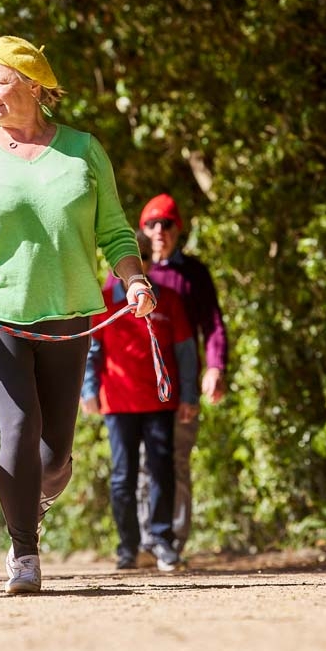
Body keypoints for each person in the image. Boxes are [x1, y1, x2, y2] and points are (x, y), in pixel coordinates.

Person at [0, 35, 156, 595]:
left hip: (70, 313)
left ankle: (38, 488)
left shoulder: (83, 150)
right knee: (20, 425)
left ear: (32, 84)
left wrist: (134, 279)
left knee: (54, 454)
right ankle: (24, 552)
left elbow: (114, 230)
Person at [80, 231, 199, 572]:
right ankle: (128, 547)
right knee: (123, 477)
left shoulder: (169, 300)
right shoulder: (104, 301)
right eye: (135, 258)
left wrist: (190, 395)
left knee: (162, 470)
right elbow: (92, 351)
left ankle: (162, 541)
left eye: (146, 257)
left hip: (161, 401)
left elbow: (185, 352)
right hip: (117, 403)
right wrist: (88, 391)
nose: (142, 264)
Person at [136, 193, 228, 558]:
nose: (160, 231)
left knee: (176, 461)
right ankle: (145, 540)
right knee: (143, 462)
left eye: (168, 224)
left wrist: (216, 366)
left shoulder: (193, 274)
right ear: (143, 230)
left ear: (178, 230)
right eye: (153, 224)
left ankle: (170, 541)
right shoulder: (134, 274)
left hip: (181, 386)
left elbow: (213, 324)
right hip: (138, 391)